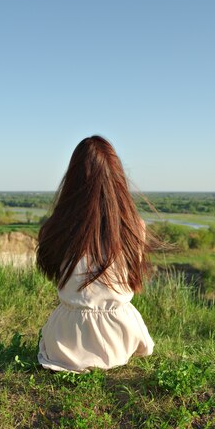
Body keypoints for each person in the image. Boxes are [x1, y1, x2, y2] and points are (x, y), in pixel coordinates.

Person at [36, 135, 155, 373]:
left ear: (73, 179)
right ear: (117, 178)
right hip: (119, 338)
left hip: (66, 341)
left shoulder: (57, 227)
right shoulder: (134, 227)